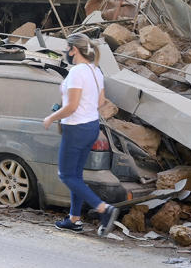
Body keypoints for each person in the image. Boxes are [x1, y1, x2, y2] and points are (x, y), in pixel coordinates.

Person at [43, 33, 120, 236]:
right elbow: (100, 101)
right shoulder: (95, 71)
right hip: (91, 126)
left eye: (66, 50)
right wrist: (79, 108)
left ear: (73, 50)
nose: (65, 53)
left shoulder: (77, 71)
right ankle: (74, 220)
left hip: (76, 128)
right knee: (76, 176)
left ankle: (104, 209)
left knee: (66, 175)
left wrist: (51, 117)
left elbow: (72, 107)